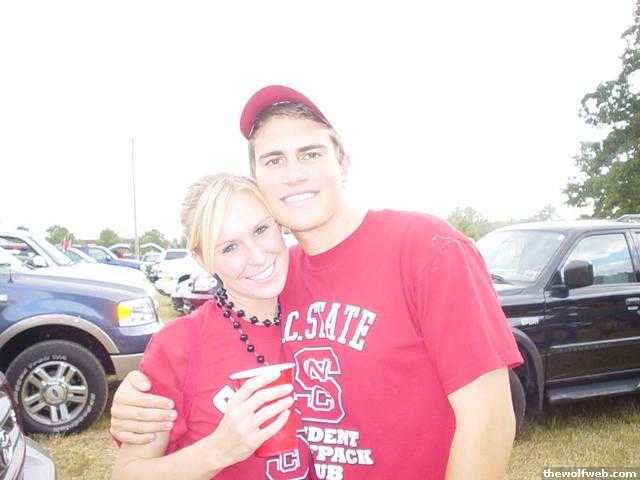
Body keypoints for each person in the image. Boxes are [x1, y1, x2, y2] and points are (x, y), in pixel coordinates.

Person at [110, 86, 524, 480]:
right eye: (274, 160)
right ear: (258, 179)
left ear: (343, 162)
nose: (294, 175)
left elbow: (488, 422)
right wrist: (137, 396)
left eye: (310, 153)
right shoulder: (280, 281)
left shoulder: (427, 250)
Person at [112, 174, 312, 480]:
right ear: (202, 260)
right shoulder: (179, 344)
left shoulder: (322, 306)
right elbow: (128, 474)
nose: (258, 257)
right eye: (229, 247)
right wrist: (220, 449)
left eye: (261, 229)